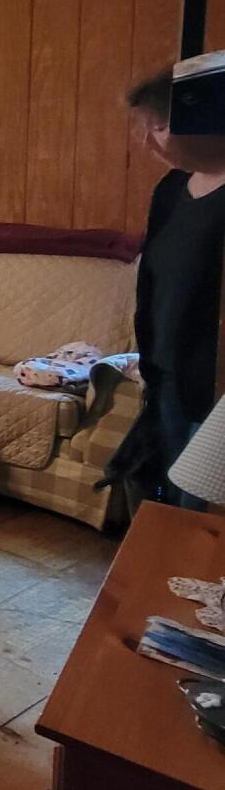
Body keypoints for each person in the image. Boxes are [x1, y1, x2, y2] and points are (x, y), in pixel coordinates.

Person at [117, 67, 225, 507]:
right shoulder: (171, 189)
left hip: (212, 387)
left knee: (198, 518)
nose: (148, 143)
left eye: (159, 127)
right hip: (166, 375)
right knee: (162, 505)